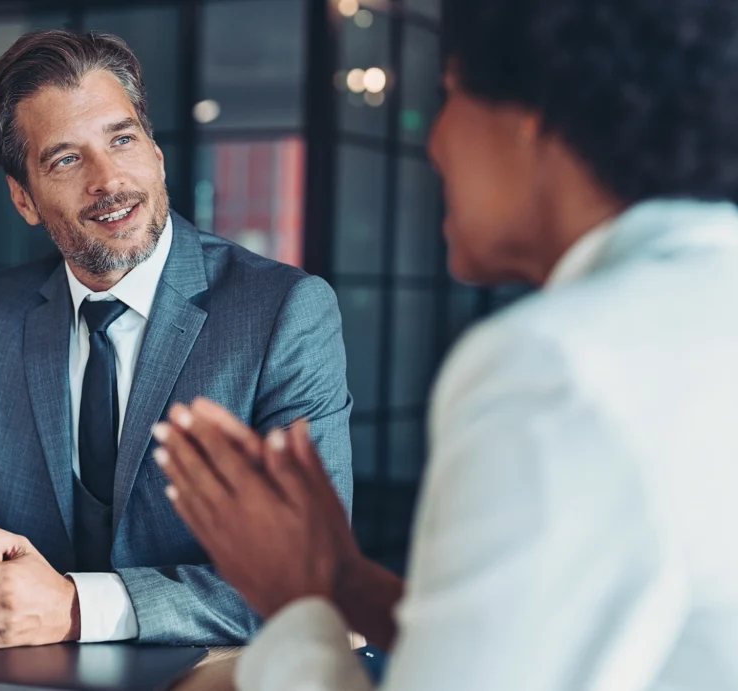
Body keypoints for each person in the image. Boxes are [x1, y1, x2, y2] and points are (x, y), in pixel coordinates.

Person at [154, 0, 738, 688]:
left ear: (532, 123)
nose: (434, 142)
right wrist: (345, 580)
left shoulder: (556, 365)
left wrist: (294, 605)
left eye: (452, 95)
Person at [0, 29, 353, 649]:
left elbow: (309, 574)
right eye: (65, 159)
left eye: (122, 139)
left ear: (157, 152)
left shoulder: (283, 313)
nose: (109, 180)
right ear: (24, 198)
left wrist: (72, 608)